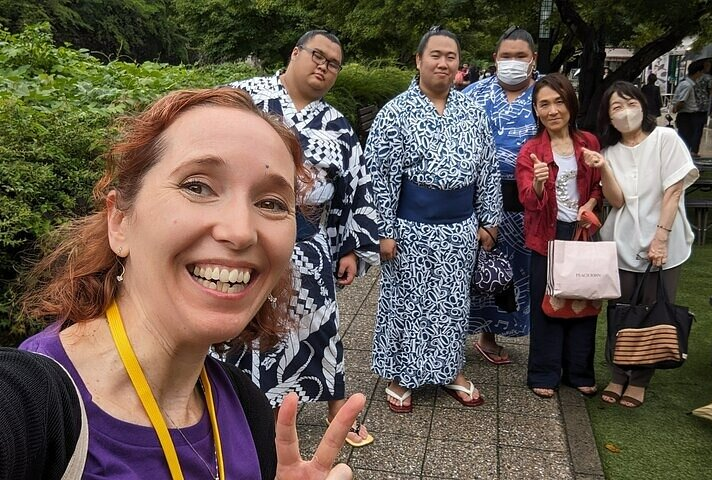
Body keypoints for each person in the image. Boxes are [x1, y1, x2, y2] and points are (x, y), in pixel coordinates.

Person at [3, 88, 366, 479]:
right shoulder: (24, 412)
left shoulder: (248, 408)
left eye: (272, 203)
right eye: (197, 186)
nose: (241, 232)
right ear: (120, 222)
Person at [225, 30, 379, 447]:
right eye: (317, 56)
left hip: (309, 238)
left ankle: (337, 408)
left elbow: (354, 188)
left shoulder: (337, 126)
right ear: (295, 53)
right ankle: (248, 407)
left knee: (320, 323)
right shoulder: (243, 96)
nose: (323, 67)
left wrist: (351, 246)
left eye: (333, 64)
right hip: (248, 231)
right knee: (249, 324)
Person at [366, 26, 500, 413]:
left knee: (452, 304)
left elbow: (488, 170)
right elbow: (380, 177)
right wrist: (384, 231)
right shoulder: (395, 113)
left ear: (460, 65)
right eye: (436, 55)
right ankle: (400, 375)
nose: (443, 62)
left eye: (451, 57)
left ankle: (448, 370)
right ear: (419, 60)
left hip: (460, 227)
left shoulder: (472, 112)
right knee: (406, 303)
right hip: (409, 228)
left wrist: (489, 222)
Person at [589, 81, 698, 408]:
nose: (625, 112)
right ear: (608, 117)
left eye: (629, 103)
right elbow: (617, 201)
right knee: (621, 309)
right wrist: (605, 168)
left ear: (642, 105)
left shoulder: (666, 139)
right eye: (616, 108)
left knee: (653, 309)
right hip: (621, 242)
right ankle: (618, 372)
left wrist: (660, 238)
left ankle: (640, 379)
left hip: (664, 241)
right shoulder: (609, 152)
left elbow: (673, 191)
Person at [515, 73, 603, 399]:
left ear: (570, 104)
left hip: (581, 233)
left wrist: (590, 204)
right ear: (536, 111)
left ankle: (579, 371)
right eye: (544, 104)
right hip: (547, 236)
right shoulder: (532, 150)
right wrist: (538, 181)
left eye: (559, 101)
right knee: (546, 306)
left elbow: (597, 186)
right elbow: (528, 199)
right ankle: (543, 372)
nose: (553, 110)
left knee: (584, 300)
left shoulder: (589, 143)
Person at [462, 27, 538, 365]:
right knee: (477, 270)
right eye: (506, 56)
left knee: (517, 274)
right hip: (479, 200)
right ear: (495, 58)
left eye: (520, 56)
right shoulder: (472, 95)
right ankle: (475, 336)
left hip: (528, 202)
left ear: (533, 59)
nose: (513, 62)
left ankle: (508, 335)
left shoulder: (544, 96)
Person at [672, 61, 705, 157]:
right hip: (687, 116)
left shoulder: (686, 83)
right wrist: (675, 109)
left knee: (687, 138)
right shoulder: (687, 85)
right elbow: (682, 101)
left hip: (688, 115)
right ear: (698, 72)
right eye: (702, 72)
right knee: (686, 139)